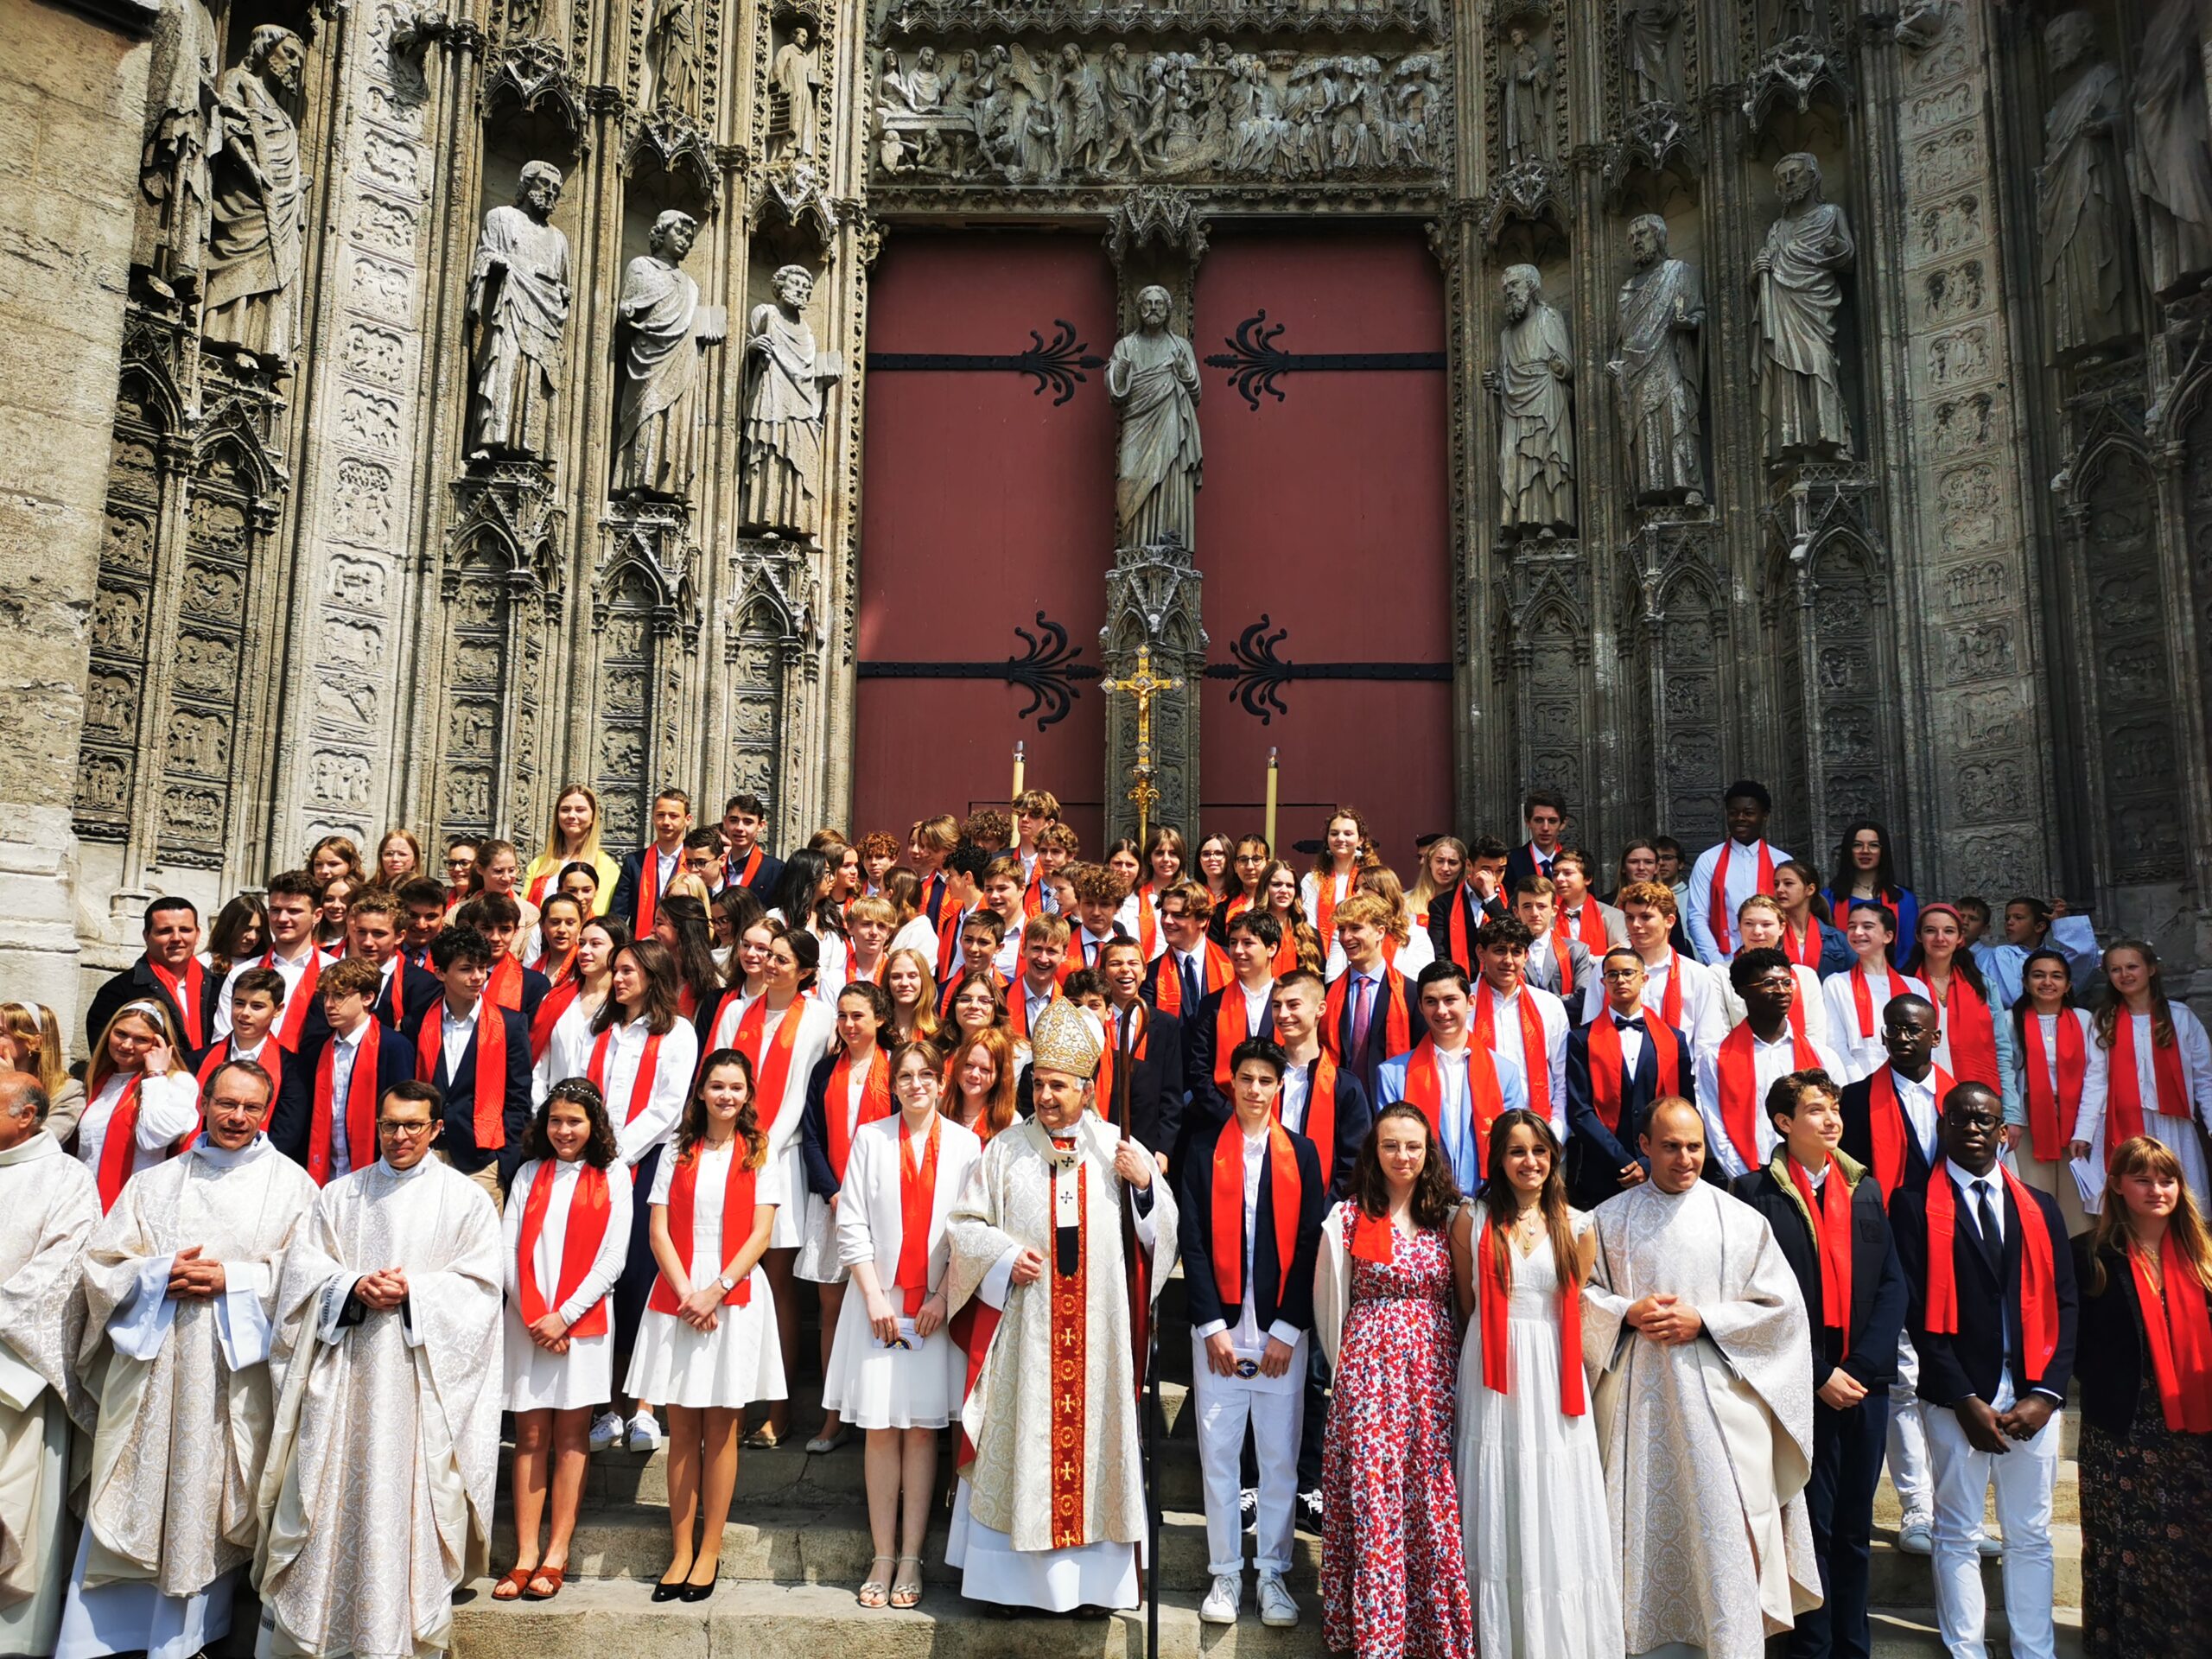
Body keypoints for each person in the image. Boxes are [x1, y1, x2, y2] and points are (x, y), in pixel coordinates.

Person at [60, 1058, 316, 1659]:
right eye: (227, 1103)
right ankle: (102, 1638)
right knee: (137, 1486)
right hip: (155, 1372)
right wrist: (157, 1274)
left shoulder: (294, 1187)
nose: (238, 1117)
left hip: (233, 1378)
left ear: (267, 1112)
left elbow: (306, 1278)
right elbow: (101, 1268)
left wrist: (234, 1278)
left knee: (209, 1496)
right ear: (204, 1103)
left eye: (251, 1107)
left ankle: (195, 1637)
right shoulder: (156, 1183)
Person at [943, 997, 1178, 1612]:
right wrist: (1001, 1258)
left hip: (1097, 1338)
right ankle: (1009, 1587)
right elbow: (964, 1226)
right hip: (1028, 1335)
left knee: (1095, 1452)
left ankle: (1093, 1587)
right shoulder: (1004, 1150)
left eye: (1059, 1086)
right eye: (1039, 1084)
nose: (1045, 1097)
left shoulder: (1117, 1148)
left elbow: (1162, 1236)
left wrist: (1145, 1186)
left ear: (1088, 1089)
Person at [256, 1078, 504, 1659]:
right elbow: (300, 1277)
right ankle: (322, 1632)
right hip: (345, 1381)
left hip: (418, 1388)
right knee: (326, 1494)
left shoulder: (465, 1200)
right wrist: (351, 1286)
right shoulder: (340, 1196)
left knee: (407, 1503)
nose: (399, 1136)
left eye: (413, 1126)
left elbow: (482, 1290)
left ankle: (397, 1630)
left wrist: (415, 1290)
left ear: (436, 1129)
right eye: (389, 1125)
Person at [1584, 1096, 1821, 1656]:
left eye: (1694, 1146)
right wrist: (1625, 1311)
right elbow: (1576, 1298)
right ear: (1644, 1146)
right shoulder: (1606, 1220)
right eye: (1670, 1147)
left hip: (1719, 1407)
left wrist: (1706, 1320)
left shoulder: (1740, 1221)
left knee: (1720, 1530)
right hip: (1636, 1412)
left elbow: (1782, 1312)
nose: (1685, 1158)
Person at [1890, 1081, 2077, 1659]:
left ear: (2002, 1132)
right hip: (1956, 1397)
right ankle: (1966, 1650)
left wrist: (2047, 1393)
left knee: (2031, 1534)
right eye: (1961, 1118)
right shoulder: (1912, 1205)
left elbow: (2066, 1304)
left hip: (2031, 1394)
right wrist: (1963, 1398)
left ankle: (2034, 1650)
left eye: (1985, 1120)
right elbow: (1915, 1311)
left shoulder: (2040, 1206)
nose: (1972, 1128)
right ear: (1943, 1126)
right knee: (1956, 1531)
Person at [1731, 1069, 1908, 1659]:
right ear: (1784, 1123)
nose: (1831, 1119)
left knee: (1854, 1531)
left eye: (1834, 1108)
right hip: (1798, 1383)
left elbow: (1892, 1285)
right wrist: (1818, 1372)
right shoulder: (1753, 1194)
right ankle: (1812, 1649)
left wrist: (1861, 1367)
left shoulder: (1865, 1188)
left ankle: (1853, 1647)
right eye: (1815, 1110)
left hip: (1863, 1383)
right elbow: (1749, 1299)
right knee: (1811, 1531)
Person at [1448, 1109, 1616, 1659]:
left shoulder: (1579, 1225)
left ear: (1554, 1157)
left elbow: (1577, 1304)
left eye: (1539, 1151)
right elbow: (1466, 1304)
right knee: (1496, 1485)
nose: (1530, 1162)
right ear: (1498, 1158)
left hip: (1552, 1370)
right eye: (1517, 1151)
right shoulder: (1471, 1219)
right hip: (1491, 1371)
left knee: (1552, 1487)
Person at [823, 1042, 983, 1612]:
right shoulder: (871, 1139)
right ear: (894, 1086)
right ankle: (882, 1555)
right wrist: (872, 1297)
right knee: (880, 1429)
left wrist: (943, 1295)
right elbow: (851, 1223)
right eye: (906, 1076)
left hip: (936, 1307)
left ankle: (912, 1555)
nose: (917, 1084)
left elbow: (972, 1229)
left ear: (941, 1083)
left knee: (919, 1430)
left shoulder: (965, 1145)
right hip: (878, 1303)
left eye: (926, 1075)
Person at [1312, 1103, 1473, 1659]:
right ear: (1372, 1151)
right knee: (1374, 1496)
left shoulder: (1450, 1218)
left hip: (1432, 1375)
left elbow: (1464, 1302)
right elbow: (1329, 1302)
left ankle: (1433, 1637)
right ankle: (1379, 1638)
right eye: (1390, 1145)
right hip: (1368, 1376)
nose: (1402, 1156)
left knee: (1430, 1496)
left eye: (1412, 1146)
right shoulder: (1351, 1216)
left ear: (1428, 1152)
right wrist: (1349, 1370)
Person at [1179, 1039, 1326, 1631]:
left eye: (1267, 1080)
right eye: (1246, 1078)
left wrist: (1289, 1328)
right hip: (1219, 1331)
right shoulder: (1202, 1150)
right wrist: (1209, 1325)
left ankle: (1272, 1574)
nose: (1256, 1090)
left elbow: (1311, 1243)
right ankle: (1225, 1572)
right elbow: (1191, 1238)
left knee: (1279, 1459)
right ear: (1232, 1083)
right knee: (1219, 1456)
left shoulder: (1303, 1154)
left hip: (1279, 1333)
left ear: (1279, 1087)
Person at [628, 1050, 785, 1600]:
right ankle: (680, 1550)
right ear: (702, 1091)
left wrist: (715, 1290)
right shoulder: (677, 1149)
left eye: (736, 1087)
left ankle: (710, 1549)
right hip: (678, 1291)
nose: (726, 1095)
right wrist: (687, 1294)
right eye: (717, 1085)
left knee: (721, 1431)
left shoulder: (760, 1151)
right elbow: (658, 1231)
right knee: (681, 1431)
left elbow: (761, 1233)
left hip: (733, 1294)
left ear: (747, 1095)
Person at [2071, 1134, 2212, 1657]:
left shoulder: (2205, 1252)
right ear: (2116, 1185)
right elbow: (2072, 1340)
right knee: (2124, 1542)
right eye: (2143, 1179)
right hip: (2121, 1425)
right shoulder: (2089, 1254)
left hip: (2197, 1429)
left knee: (2193, 1544)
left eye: (2167, 1179)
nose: (2157, 1190)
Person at [494, 1077, 632, 1605]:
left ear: (594, 1125)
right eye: (555, 1120)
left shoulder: (613, 1175)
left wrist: (564, 1317)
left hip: (582, 1323)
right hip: (528, 1319)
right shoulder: (530, 1172)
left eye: (575, 1121)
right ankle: (525, 1552)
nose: (564, 1130)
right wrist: (535, 1315)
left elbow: (614, 1257)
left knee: (572, 1436)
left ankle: (557, 1552)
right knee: (530, 1435)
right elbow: (508, 1248)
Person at [0, 1074, 98, 1657]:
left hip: (18, 1375)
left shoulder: (66, 1178)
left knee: (18, 1509)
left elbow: (64, 1269)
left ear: (27, 1118)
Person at [728, 926, 836, 1443]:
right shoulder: (735, 1012)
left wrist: (763, 1145)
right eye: (768, 955)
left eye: (782, 960)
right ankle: (732, 1402)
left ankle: (780, 1407)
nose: (769, 964)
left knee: (776, 1288)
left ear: (806, 972)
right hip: (732, 1156)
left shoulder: (818, 1017)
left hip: (781, 1158)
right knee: (732, 1280)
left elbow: (802, 1094)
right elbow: (720, 1077)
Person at [796, 982, 896, 1453]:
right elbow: (811, 1136)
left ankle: (880, 1409)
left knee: (883, 1304)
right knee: (832, 1311)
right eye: (842, 1015)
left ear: (880, 1019)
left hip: (884, 1206)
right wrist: (833, 1192)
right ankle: (832, 1415)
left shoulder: (896, 1068)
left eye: (858, 1015)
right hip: (833, 1203)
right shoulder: (824, 1071)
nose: (849, 1024)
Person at [402, 925, 532, 1205]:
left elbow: (518, 1097)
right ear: (440, 973)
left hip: (482, 1159)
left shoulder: (510, 1024)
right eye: (466, 969)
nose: (477, 977)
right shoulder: (417, 1022)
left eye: (482, 968)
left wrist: (503, 1159)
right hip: (426, 1151)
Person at [1375, 961, 1529, 1195]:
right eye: (1431, 1002)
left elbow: (1514, 1144)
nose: (1441, 1011)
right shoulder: (1392, 1074)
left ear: (1470, 1002)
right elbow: (1389, 1147)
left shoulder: (1505, 1072)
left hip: (1487, 1199)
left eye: (1450, 1000)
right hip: (1419, 1198)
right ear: (1420, 1007)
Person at [1694, 948, 1844, 1182]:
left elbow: (1835, 1120)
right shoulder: (1715, 1059)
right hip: (1749, 1181)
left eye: (1787, 982)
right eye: (1770, 983)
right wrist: (1750, 1183)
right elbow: (1717, 1129)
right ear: (1743, 991)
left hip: (1814, 1178)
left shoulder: (1823, 1056)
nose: (1782, 990)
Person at [2087, 940, 2212, 1206]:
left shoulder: (2181, 1017)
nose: (2125, 975)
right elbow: (2095, 1080)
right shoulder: (2104, 1020)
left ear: (2151, 969)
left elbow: (2205, 1079)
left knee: (2178, 1199)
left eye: (2132, 967)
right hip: (2119, 1122)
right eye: (2116, 969)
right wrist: (2083, 1132)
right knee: (2126, 1201)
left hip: (2172, 1124)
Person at [270, 957, 416, 1183]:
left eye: (339, 996)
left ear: (367, 998)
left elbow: (402, 1112)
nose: (329, 1004)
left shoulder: (394, 1046)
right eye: (325, 996)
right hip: (327, 1170)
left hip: (378, 1168)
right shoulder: (318, 1049)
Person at [1565, 947, 1689, 1211]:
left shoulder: (1673, 1039)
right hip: (1603, 1171)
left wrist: (1648, 1163)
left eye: (1628, 973)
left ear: (1644, 979)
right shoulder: (1581, 1040)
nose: (1620, 980)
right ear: (1603, 982)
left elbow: (1684, 1105)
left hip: (1660, 1168)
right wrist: (1623, 1161)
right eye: (1612, 975)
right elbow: (1579, 1110)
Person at [82, 1000, 200, 1211]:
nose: (127, 1045)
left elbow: (153, 1139)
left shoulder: (177, 1083)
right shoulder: (97, 1081)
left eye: (141, 1039)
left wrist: (156, 1075)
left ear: (158, 1044)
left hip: (137, 1207)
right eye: (121, 1034)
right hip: (87, 1205)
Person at [1904, 903, 2015, 1111]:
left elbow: (2002, 1050)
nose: (1940, 938)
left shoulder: (1983, 986)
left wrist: (2011, 1111)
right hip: (1919, 1097)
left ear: (1960, 938)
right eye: (1930, 931)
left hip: (1978, 1099)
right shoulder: (1903, 985)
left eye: (1949, 931)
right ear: (1919, 936)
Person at [1469, 917, 1568, 1142]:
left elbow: (1562, 1077)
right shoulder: (1463, 1005)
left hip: (1541, 1135)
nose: (1508, 961)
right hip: (1478, 1136)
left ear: (1526, 956)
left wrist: (1554, 1135)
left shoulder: (1549, 1005)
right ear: (1481, 953)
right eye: (1499, 950)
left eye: (1516, 952)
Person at [213, 872, 332, 1052]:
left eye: (293, 911)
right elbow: (222, 1040)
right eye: (275, 910)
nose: (282, 919)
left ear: (317, 915)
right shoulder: (242, 972)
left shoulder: (332, 971)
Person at [1096, 937, 1185, 1163]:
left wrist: (1164, 1149)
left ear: (1144, 972)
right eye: (1116, 963)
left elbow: (1171, 1093)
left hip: (1147, 1143)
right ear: (1103, 972)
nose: (1125, 969)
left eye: (1133, 963)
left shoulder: (1165, 1025)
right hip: (1098, 1137)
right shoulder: (1093, 1021)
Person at [86, 896, 213, 1054]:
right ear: (146, 936)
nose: (176, 938)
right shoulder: (118, 992)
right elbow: (104, 1056)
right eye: (165, 931)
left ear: (197, 934)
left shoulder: (219, 987)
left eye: (185, 930)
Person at [1616, 880, 1730, 1056]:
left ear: (1669, 921)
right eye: (1630, 917)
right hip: (1617, 1068)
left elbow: (1708, 1042)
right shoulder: (1606, 970)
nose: (1636, 925)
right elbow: (1593, 1034)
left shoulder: (1696, 974)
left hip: (1679, 1069)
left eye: (1645, 917)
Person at [1325, 893, 1421, 1100]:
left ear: (1380, 932)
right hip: (1338, 1102)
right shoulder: (1327, 994)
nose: (1346, 938)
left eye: (1355, 928)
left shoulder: (1411, 994)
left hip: (1393, 1099)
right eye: (1342, 930)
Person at [1821, 901, 1929, 1083]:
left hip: (1907, 1077)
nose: (1857, 932)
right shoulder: (1837, 983)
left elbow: (1925, 1042)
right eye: (1852, 926)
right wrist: (1862, 1086)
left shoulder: (1915, 987)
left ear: (1888, 936)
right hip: (1856, 1077)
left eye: (1867, 926)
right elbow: (1835, 1043)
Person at [1187, 909, 1281, 1119]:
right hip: (1221, 1118)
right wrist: (1230, 1115)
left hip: (1280, 1116)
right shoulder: (1212, 1004)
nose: (1238, 951)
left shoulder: (1288, 1002)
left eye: (1247, 943)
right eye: (1233, 942)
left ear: (1271, 948)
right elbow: (1199, 1069)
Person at [1685, 779, 1791, 964]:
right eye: (1733, 813)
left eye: (1748, 813)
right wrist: (1719, 964)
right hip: (1723, 960)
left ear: (1765, 815)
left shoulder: (1782, 861)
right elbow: (1697, 917)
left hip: (1775, 960)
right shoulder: (1708, 860)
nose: (1740, 818)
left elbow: (1792, 914)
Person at [1733, 893, 1834, 1047]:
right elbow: (1719, 1032)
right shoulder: (1719, 973)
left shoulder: (1806, 976)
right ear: (1739, 926)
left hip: (1800, 1058)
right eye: (1749, 923)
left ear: (1781, 928)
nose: (1757, 931)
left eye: (1766, 924)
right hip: (1741, 1055)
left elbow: (1816, 1035)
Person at [524, 784, 621, 913]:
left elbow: (603, 915)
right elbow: (524, 911)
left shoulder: (607, 867)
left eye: (580, 810)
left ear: (593, 817)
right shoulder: (539, 865)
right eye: (565, 810)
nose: (571, 815)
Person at [611, 789, 694, 938]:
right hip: (642, 945)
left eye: (673, 816)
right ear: (653, 818)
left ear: (687, 819)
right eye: (660, 815)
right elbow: (618, 915)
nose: (666, 822)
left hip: (685, 944)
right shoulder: (635, 862)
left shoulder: (694, 862)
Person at [1821, 820, 1916, 949]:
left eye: (1873, 845)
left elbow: (1908, 949)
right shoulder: (1828, 898)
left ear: (1883, 851)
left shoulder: (1904, 899)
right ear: (1848, 850)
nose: (1865, 851)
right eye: (1857, 845)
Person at [0, 1001, 83, 1148]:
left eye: (1, 1033)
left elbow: (40, 1142)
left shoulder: (69, 1092)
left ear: (34, 1042)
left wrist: (10, 1084)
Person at [1303, 807, 1375, 946]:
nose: (1340, 838)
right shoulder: (1312, 880)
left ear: (1360, 840)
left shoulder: (1372, 880)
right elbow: (1308, 926)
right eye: (1334, 833)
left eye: (1348, 834)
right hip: (1321, 952)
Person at [1775, 859, 1853, 979]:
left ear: (1810, 889)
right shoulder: (1771, 935)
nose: (1779, 889)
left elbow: (1857, 978)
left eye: (1788, 883)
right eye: (1776, 884)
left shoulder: (1838, 939)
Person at [718, 793, 785, 899]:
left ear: (760, 826)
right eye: (733, 820)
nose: (739, 828)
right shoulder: (714, 866)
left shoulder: (775, 870)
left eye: (748, 822)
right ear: (725, 822)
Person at [1503, 788, 1568, 890]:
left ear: (1563, 824)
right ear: (1527, 822)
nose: (1545, 828)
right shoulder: (1510, 862)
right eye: (1539, 820)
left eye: (1552, 821)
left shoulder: (1576, 864)